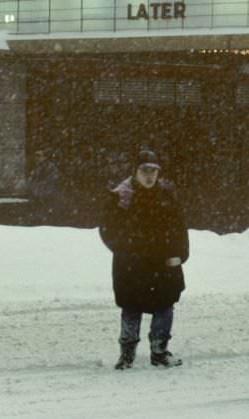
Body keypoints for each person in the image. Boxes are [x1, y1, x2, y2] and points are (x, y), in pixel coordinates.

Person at [99, 148, 189, 370]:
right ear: (135, 171)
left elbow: (179, 228)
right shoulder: (121, 196)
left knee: (165, 306)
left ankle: (159, 352)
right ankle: (127, 354)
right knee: (131, 307)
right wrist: (123, 249)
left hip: (164, 262)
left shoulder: (167, 195)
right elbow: (107, 229)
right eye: (144, 170)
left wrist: (180, 254)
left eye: (154, 170)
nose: (149, 175)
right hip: (131, 263)